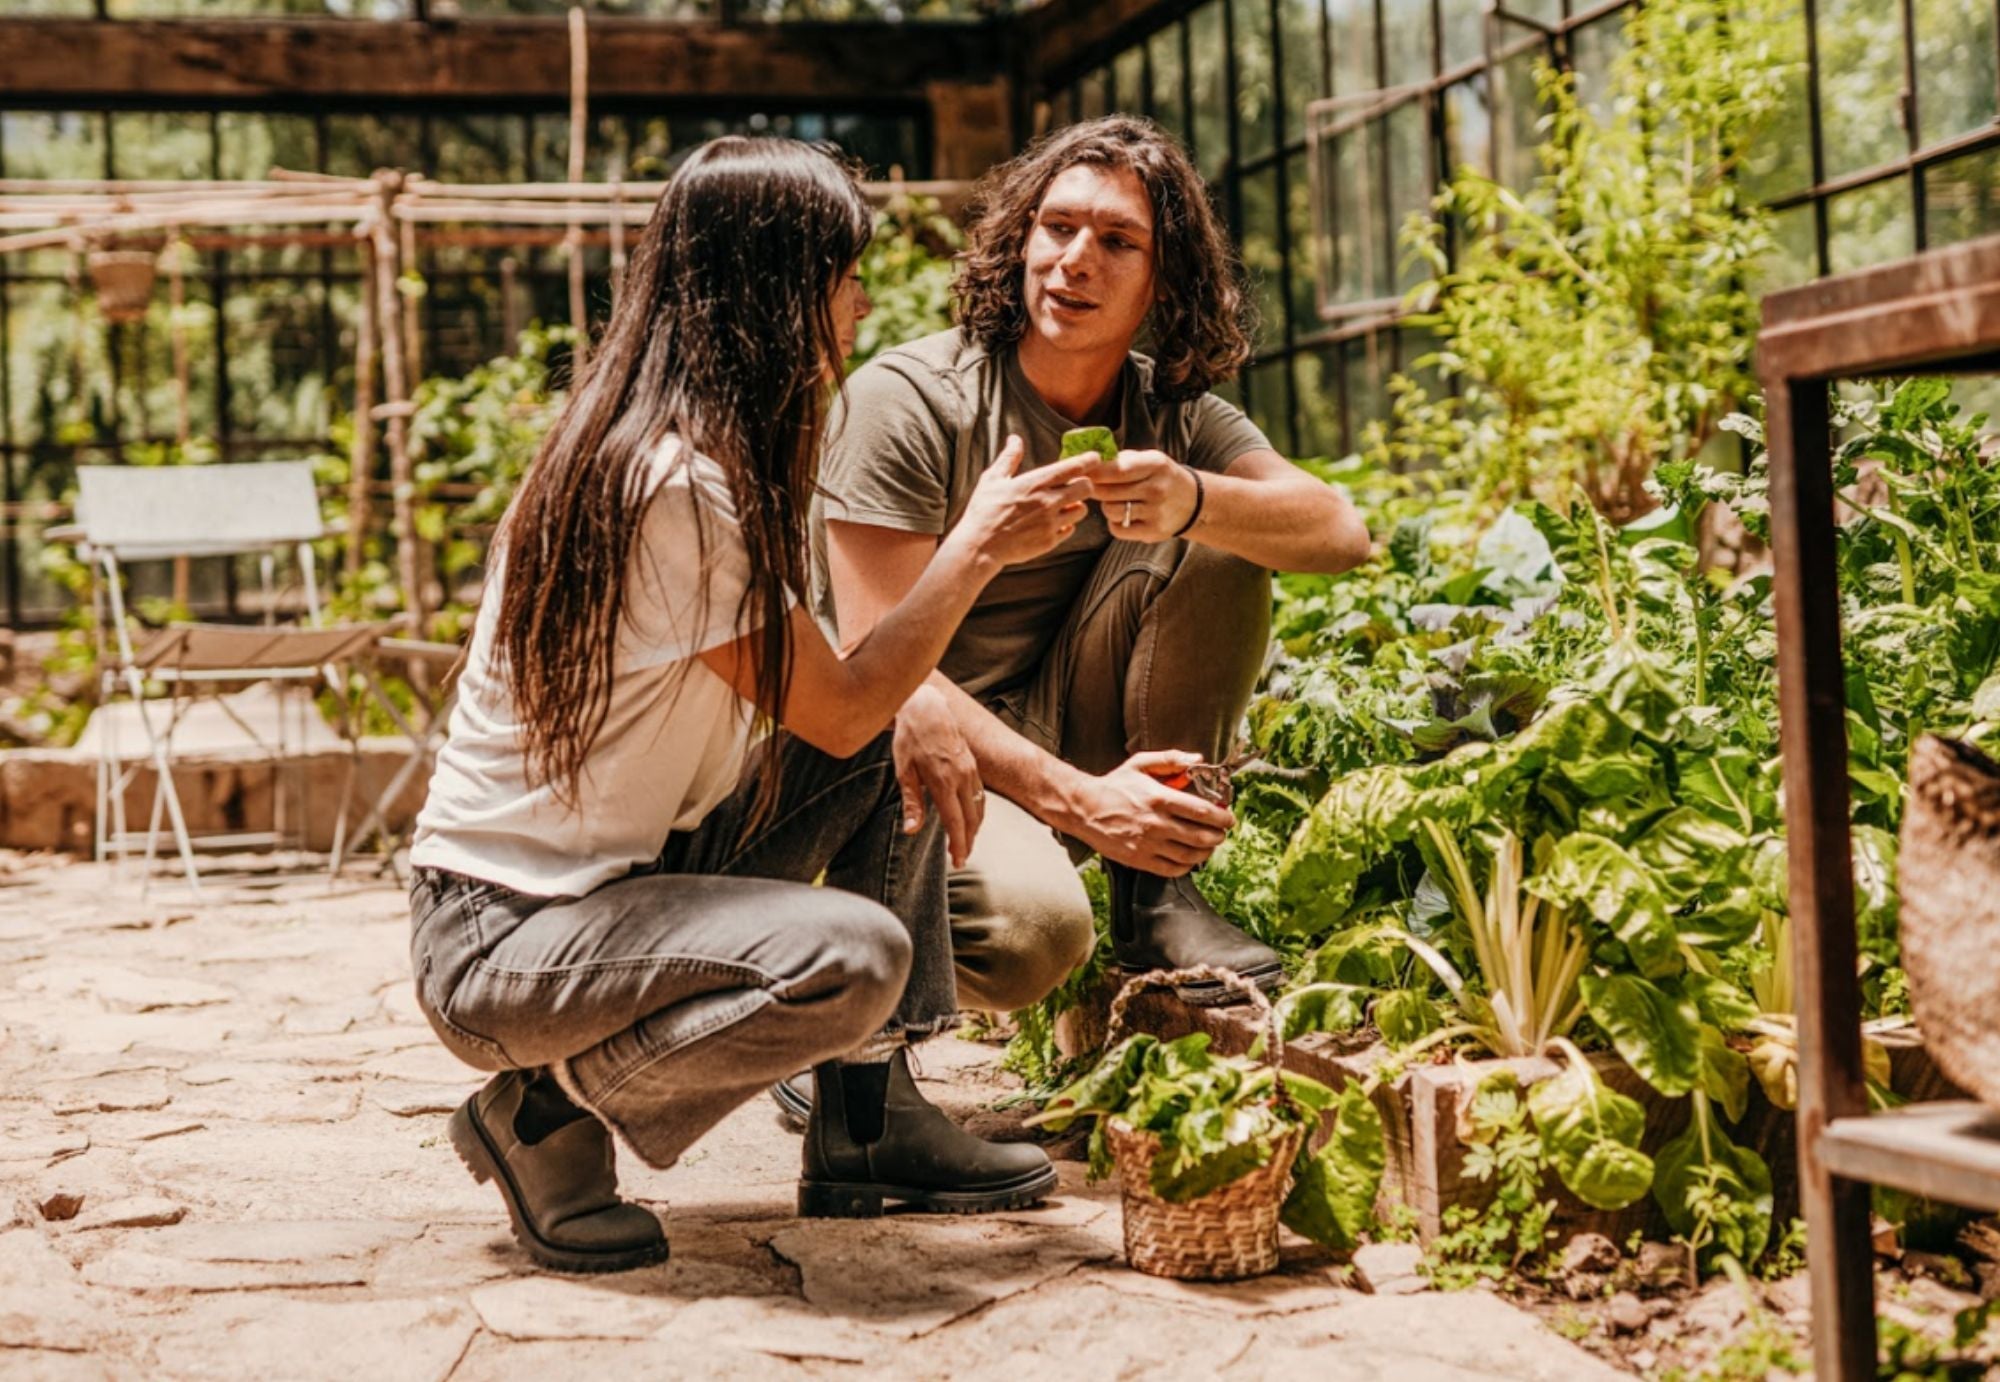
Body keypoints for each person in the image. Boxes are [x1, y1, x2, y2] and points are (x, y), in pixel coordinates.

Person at [405, 137, 1101, 1274]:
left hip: (613, 889)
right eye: (842, 271)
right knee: (851, 955)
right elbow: (834, 708)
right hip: (507, 936)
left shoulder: (692, 457)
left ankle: (869, 1117)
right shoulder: (667, 486)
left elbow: (851, 707)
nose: (861, 298)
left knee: (898, 731)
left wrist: (910, 694)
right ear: (772, 293)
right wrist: (970, 551)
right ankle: (541, 1111)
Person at [780, 115, 1371, 1126]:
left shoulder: (1172, 413)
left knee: (1228, 521)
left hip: (1064, 715)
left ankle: (1158, 901)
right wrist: (1081, 801)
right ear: (1019, 240)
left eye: (1115, 241)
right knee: (1029, 937)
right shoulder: (908, 401)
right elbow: (891, 677)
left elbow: (1340, 529)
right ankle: (837, 1015)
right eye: (1055, 228)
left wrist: (1191, 496)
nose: (1072, 261)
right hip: (918, 758)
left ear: (1162, 279)